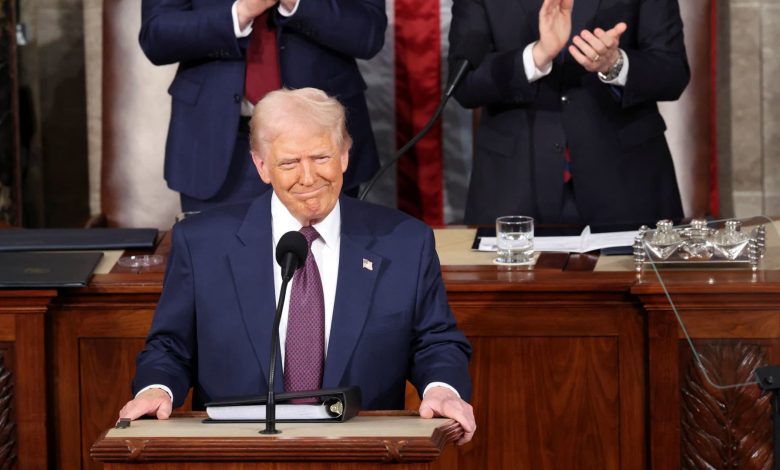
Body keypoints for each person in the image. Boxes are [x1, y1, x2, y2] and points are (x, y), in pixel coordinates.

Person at [118, 88, 476, 445]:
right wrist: (156, 389)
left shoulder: (404, 242)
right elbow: (171, 347)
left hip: (362, 451)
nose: (308, 178)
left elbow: (436, 342)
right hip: (237, 453)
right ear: (262, 166)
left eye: (322, 157)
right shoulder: (202, 244)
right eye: (289, 163)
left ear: (345, 156)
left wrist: (443, 388)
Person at [449, 0, 690, 227]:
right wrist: (536, 56)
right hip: (514, 190)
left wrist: (615, 64)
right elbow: (464, 83)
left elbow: (672, 72)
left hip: (627, 187)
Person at [139, 0, 386, 211]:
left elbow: (368, 34)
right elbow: (156, 37)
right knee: (220, 263)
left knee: (327, 264)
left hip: (322, 144)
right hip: (219, 146)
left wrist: (297, 3)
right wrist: (242, 11)